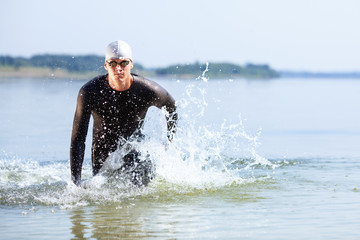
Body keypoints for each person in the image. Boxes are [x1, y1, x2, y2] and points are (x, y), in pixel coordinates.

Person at [70, 40, 177, 186]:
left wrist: (169, 139)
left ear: (131, 64)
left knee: (138, 183)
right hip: (103, 156)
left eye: (124, 63)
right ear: (106, 65)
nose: (118, 68)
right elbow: (78, 139)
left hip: (135, 151)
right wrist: (76, 183)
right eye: (113, 63)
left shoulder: (148, 90)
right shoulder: (90, 92)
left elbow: (171, 108)